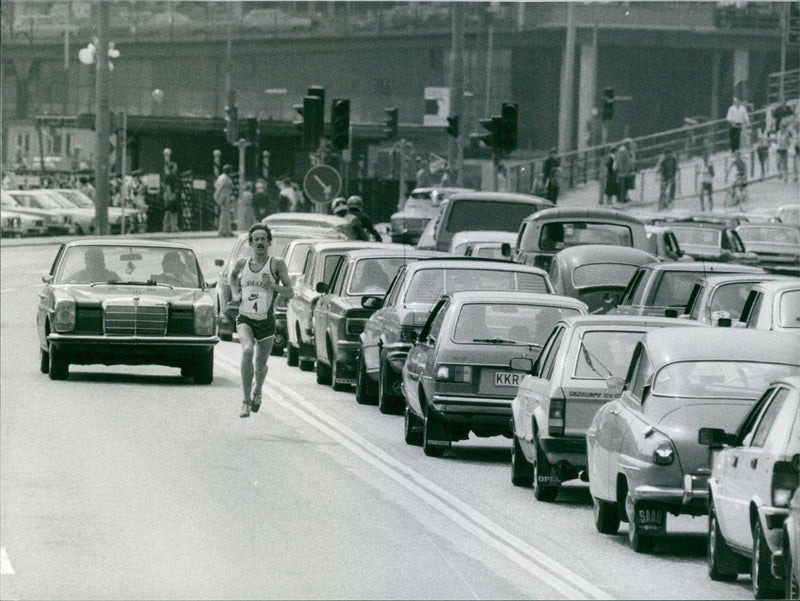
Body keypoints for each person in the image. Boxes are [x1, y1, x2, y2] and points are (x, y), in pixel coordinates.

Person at [229, 223, 294, 418]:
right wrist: (235, 293)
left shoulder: (276, 264)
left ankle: (258, 392)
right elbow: (232, 277)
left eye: (262, 239)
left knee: (260, 366)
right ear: (250, 243)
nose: (259, 242)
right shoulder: (242, 263)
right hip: (245, 318)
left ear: (268, 242)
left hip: (266, 322)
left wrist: (273, 285)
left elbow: (290, 292)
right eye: (256, 239)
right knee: (247, 350)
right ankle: (246, 401)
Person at [214, 164, 234, 237]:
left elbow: (216, 185)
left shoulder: (221, 177)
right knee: (225, 215)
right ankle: (223, 231)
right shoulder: (225, 178)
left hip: (224, 197)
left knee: (225, 215)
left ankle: (226, 230)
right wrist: (217, 197)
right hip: (224, 198)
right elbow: (219, 188)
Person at [162, 160, 180, 233]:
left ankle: (170, 227)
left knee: (171, 211)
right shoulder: (169, 176)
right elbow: (168, 186)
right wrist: (170, 196)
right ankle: (171, 227)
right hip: (170, 194)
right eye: (175, 167)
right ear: (172, 168)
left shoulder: (173, 176)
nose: (176, 168)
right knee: (170, 211)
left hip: (172, 193)